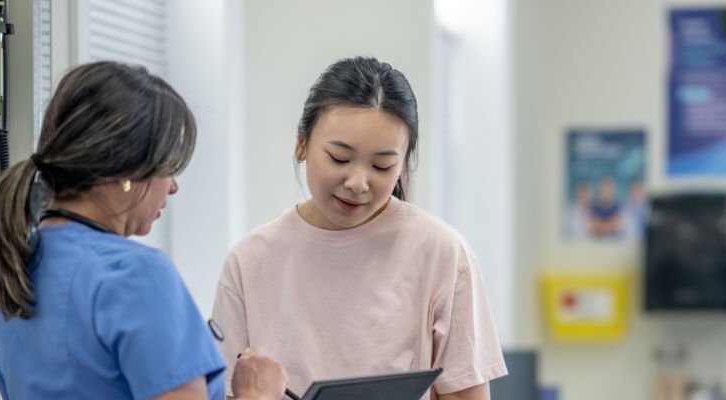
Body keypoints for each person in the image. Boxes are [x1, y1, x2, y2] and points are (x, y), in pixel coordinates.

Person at [0, 61, 286, 400]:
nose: (172, 187)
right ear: (126, 168)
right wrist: (258, 395)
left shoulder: (12, 277)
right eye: (168, 167)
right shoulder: (135, 275)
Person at [211, 56, 508, 400]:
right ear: (302, 143)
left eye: (382, 166)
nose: (357, 183)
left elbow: (464, 394)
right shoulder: (250, 261)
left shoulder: (442, 253)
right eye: (339, 158)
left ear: (402, 166)